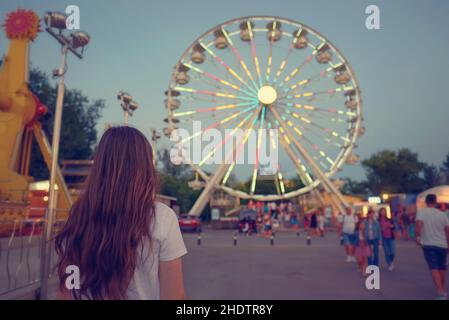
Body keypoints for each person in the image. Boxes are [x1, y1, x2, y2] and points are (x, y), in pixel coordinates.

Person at [55, 126, 187, 300]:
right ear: (145, 167)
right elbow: (174, 296)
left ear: (100, 166)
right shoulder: (162, 218)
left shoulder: (79, 217)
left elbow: (67, 293)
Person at [415, 194, 449, 300]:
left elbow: (418, 226)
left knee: (434, 267)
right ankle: (442, 290)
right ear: (436, 202)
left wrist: (418, 237)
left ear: (426, 202)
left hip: (428, 244)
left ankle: (440, 291)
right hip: (443, 244)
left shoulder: (421, 213)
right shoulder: (442, 214)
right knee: (442, 267)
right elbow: (447, 231)